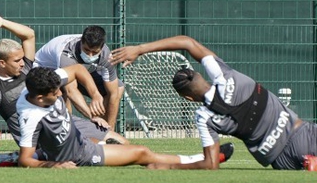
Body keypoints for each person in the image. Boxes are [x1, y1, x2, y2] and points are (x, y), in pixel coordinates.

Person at [111, 35, 317, 171]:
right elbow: (188, 42)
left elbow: (210, 165)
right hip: (303, 136)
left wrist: (168, 167)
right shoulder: (229, 76)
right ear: (201, 75)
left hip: (279, 161)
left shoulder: (204, 117)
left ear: (187, 97)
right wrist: (140, 48)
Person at [0, 15, 123, 153]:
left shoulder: (30, 69)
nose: (23, 63)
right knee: (85, 146)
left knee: (120, 141)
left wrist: (3, 22)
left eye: (23, 58)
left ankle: (98, 143)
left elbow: (29, 35)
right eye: (17, 61)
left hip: (61, 120)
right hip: (39, 132)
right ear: (2, 63)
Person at [16, 67, 215, 169]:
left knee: (121, 141)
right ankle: (196, 160)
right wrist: (54, 165)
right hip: (79, 154)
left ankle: (100, 143)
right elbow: (25, 159)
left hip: (76, 133)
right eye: (55, 93)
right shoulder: (30, 117)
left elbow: (77, 69)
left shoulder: (42, 82)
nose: (60, 94)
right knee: (141, 152)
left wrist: (95, 95)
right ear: (40, 98)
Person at [33, 26, 124, 128]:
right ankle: (67, 129)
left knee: (118, 88)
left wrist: (111, 129)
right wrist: (91, 116)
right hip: (47, 70)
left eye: (95, 52)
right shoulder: (66, 53)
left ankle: (104, 131)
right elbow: (71, 90)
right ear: (81, 42)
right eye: (86, 50)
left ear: (101, 48)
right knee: (62, 93)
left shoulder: (105, 55)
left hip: (83, 69)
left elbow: (113, 94)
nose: (90, 55)